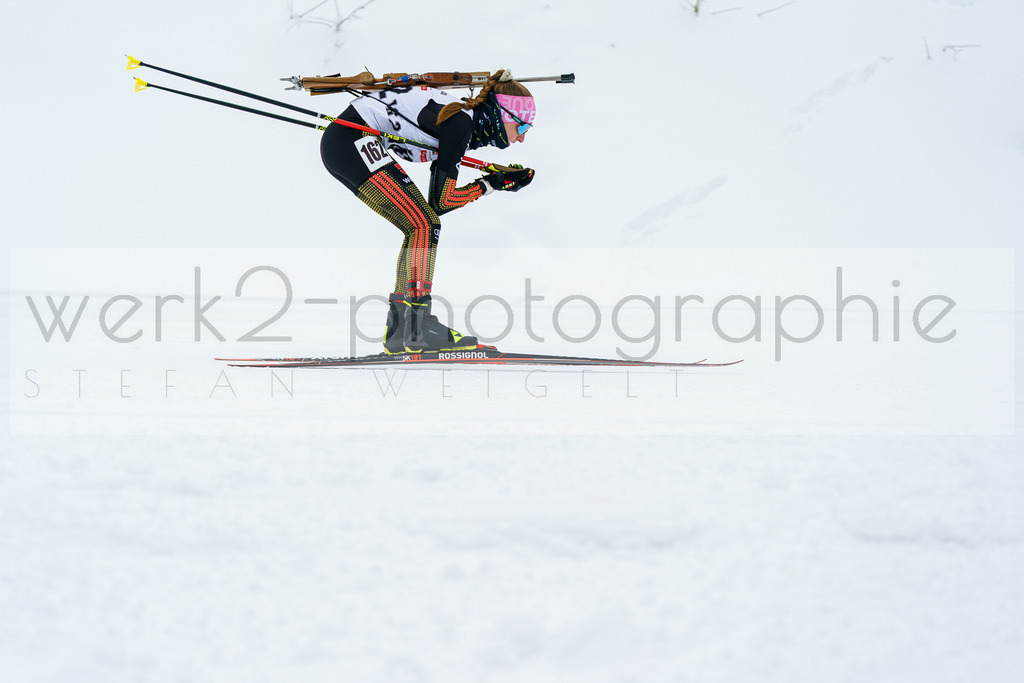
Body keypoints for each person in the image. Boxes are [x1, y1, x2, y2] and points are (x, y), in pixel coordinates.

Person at [319, 69, 536, 354]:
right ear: (502, 114)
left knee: (420, 224)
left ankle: (400, 331)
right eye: (522, 128)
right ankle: (416, 327)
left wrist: (492, 183)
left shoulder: (459, 120)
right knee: (423, 224)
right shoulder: (461, 122)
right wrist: (491, 184)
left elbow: (437, 203)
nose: (521, 138)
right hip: (351, 141)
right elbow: (443, 200)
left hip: (348, 142)